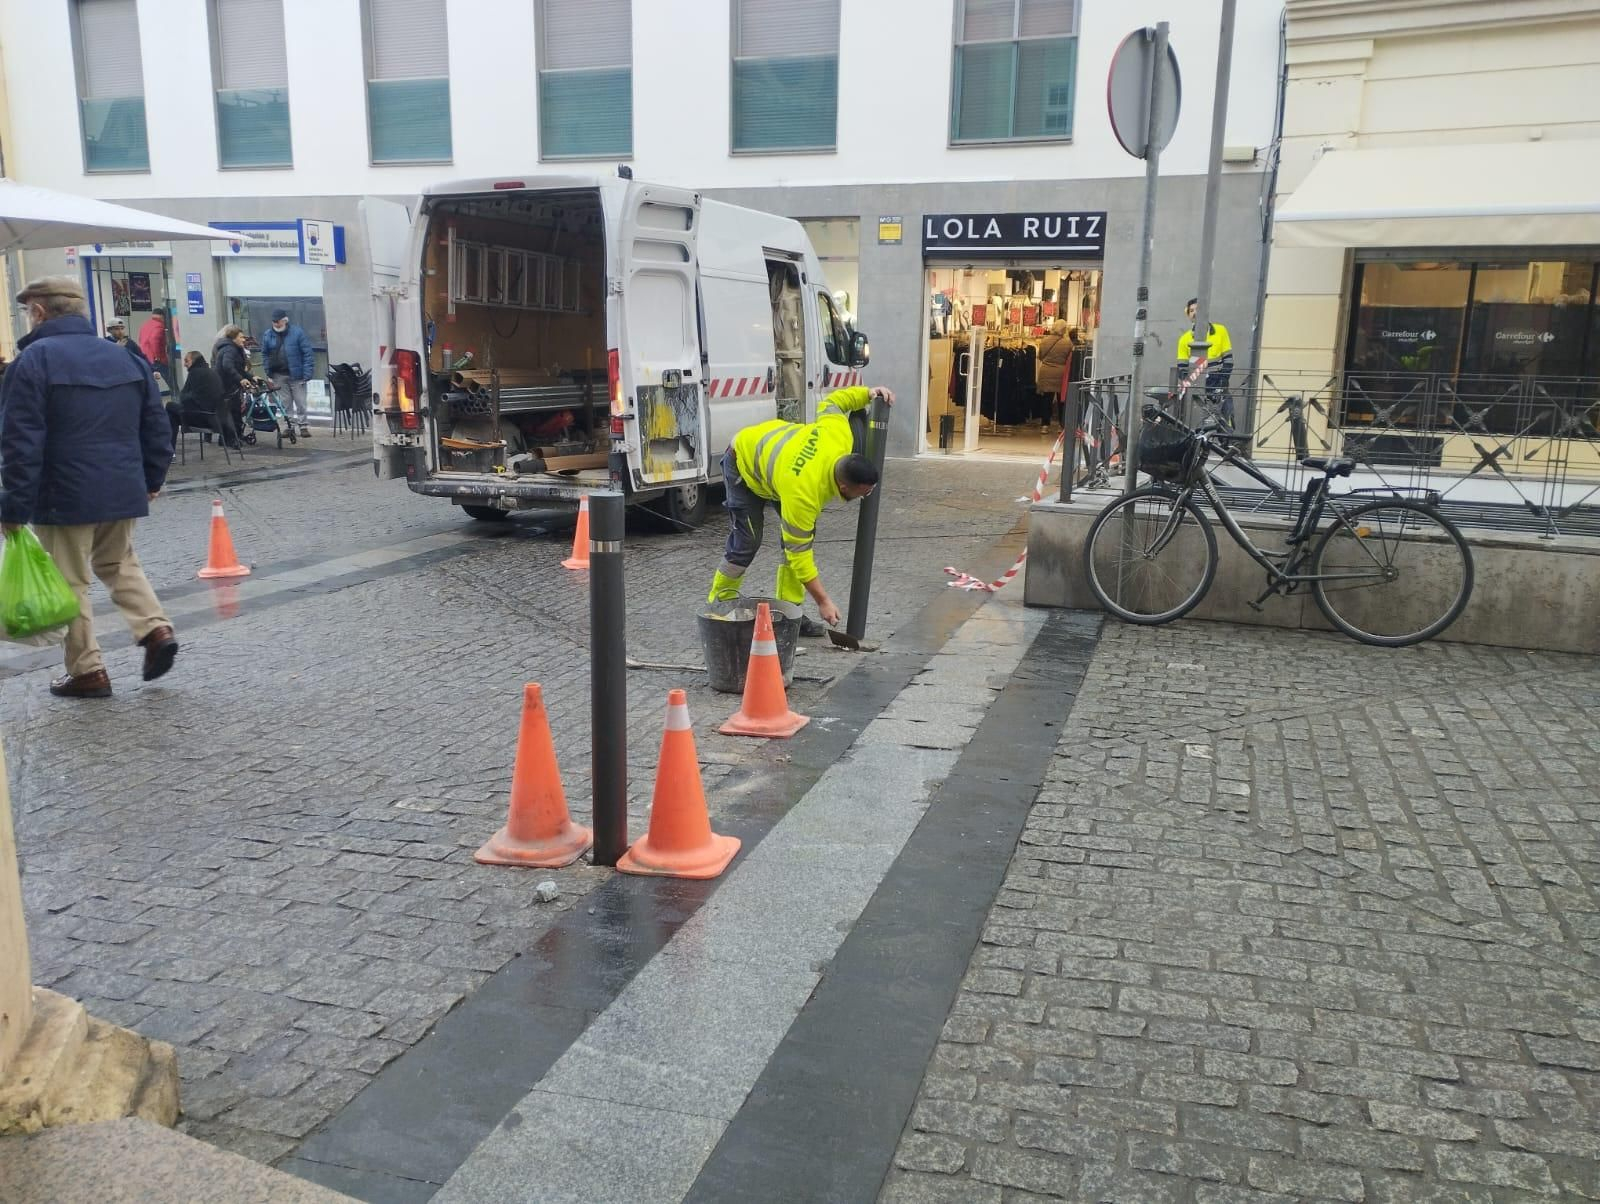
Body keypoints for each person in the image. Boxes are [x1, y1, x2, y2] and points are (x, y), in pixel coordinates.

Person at [0, 277, 178, 699]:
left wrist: (13, 506)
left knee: (69, 581)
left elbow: (20, 442)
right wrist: (151, 479)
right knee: (119, 562)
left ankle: (87, 671)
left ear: (39, 312)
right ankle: (156, 629)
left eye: (28, 311)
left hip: (63, 493)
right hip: (122, 486)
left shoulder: (34, 361)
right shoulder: (125, 357)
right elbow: (157, 425)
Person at [708, 385, 894, 635]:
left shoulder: (839, 435)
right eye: (864, 492)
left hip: (779, 466)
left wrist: (868, 393)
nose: (867, 496)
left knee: (798, 539)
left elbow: (835, 402)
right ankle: (719, 606)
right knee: (748, 541)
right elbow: (800, 555)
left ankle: (788, 614)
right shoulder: (804, 494)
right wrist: (823, 601)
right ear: (843, 486)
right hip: (744, 462)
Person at [1177, 298, 1235, 427]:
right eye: (1191, 311)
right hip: (1198, 388)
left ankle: (1226, 438)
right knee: (1200, 425)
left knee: (1226, 421)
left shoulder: (1220, 331)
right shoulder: (1184, 339)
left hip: (1219, 384)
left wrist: (1222, 381)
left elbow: (1228, 360)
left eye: (1198, 309)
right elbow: (1182, 368)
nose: (1194, 313)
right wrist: (1193, 385)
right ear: (1188, 315)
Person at [258, 308, 314, 438]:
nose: (276, 324)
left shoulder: (297, 333)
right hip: (278, 374)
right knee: (285, 403)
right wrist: (268, 371)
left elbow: (307, 353)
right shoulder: (268, 334)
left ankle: (303, 426)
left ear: (285, 320)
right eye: (274, 322)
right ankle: (289, 426)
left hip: (297, 375)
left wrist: (307, 373)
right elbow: (265, 354)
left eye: (278, 321)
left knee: (300, 402)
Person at [173, 349, 225, 445]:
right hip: (215, 418)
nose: (184, 364)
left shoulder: (195, 373)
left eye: (186, 361)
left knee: (170, 407)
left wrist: (183, 400)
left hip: (202, 418)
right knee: (174, 410)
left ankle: (169, 446)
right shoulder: (212, 372)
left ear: (194, 361)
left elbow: (185, 397)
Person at [212, 325, 250, 449]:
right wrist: (241, 379)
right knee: (233, 413)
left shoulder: (232, 348)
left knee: (230, 412)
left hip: (225, 386)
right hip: (227, 387)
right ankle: (232, 439)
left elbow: (238, 368)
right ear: (233, 338)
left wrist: (251, 377)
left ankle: (228, 438)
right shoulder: (230, 349)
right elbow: (228, 366)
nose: (244, 339)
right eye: (241, 337)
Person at [1036, 320, 1074, 427]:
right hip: (1061, 374)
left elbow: (1040, 356)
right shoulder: (1068, 343)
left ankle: (1045, 424)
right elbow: (1069, 359)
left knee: (1046, 400)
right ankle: (1061, 424)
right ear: (1064, 329)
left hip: (1046, 372)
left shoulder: (1044, 341)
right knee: (1061, 399)